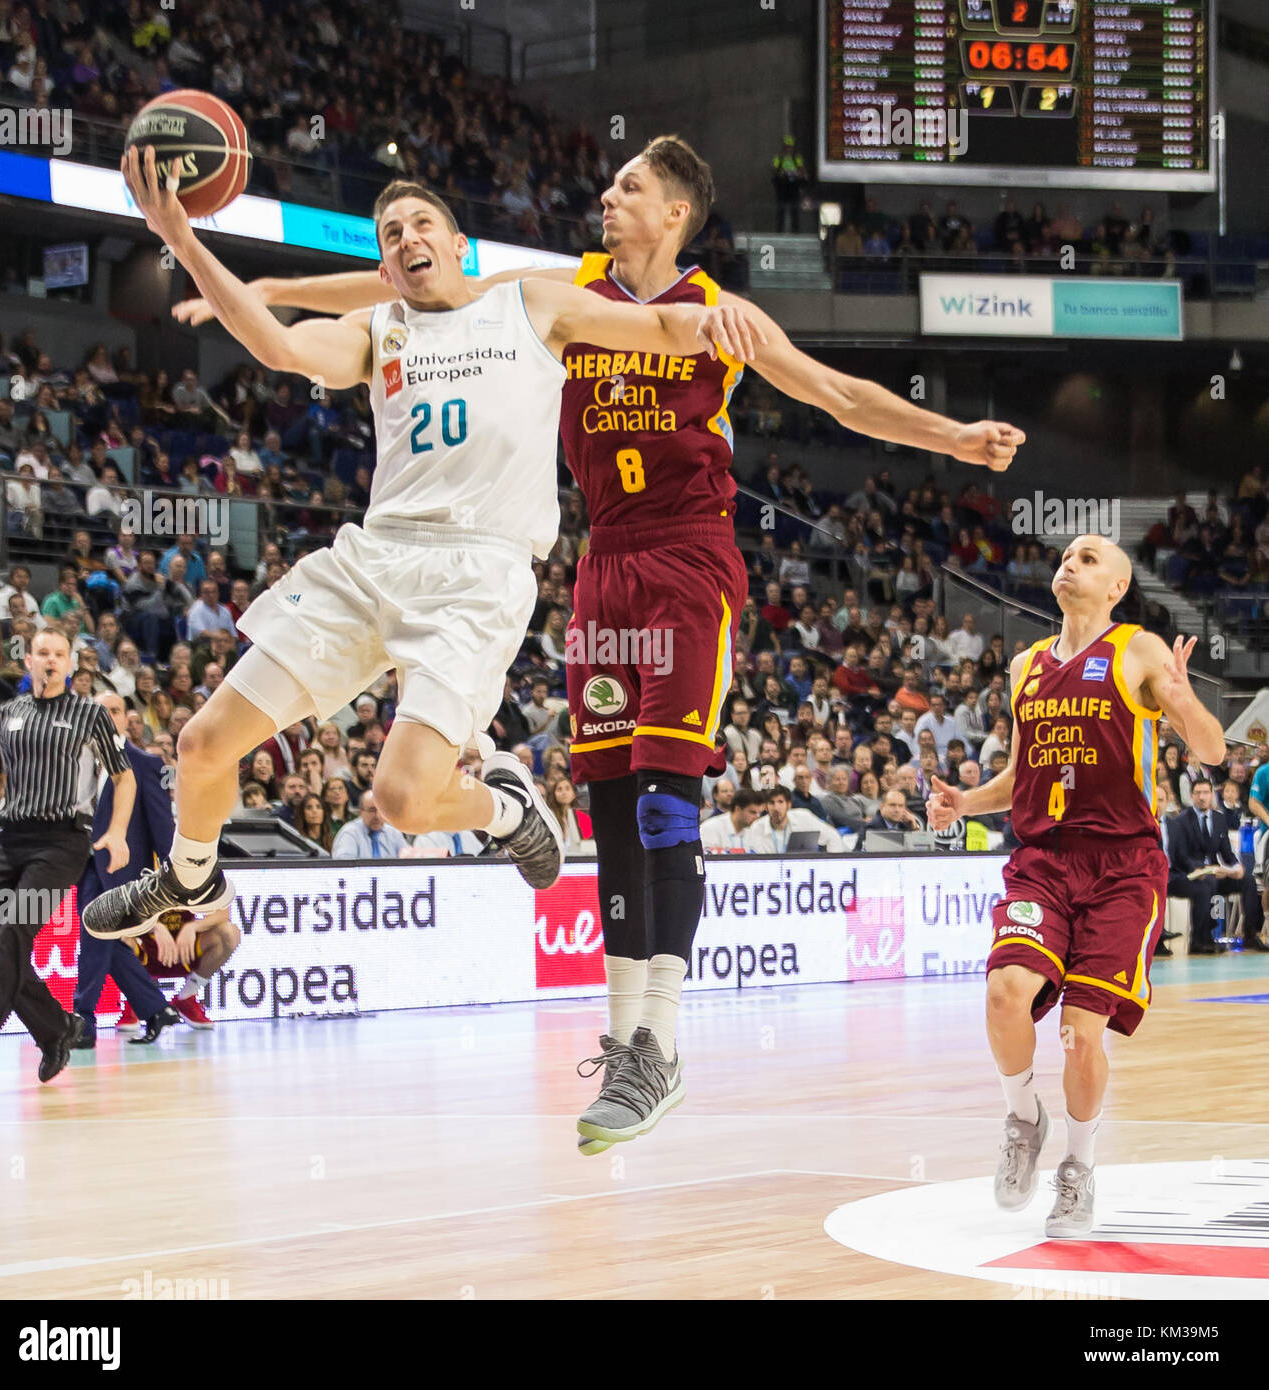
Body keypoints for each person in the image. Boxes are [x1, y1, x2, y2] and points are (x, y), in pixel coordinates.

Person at [177, 135, 1024, 1156]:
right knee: (613, 806)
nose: (606, 197)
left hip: (685, 556)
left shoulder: (711, 313)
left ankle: (658, 1041)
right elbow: (408, 279)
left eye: (629, 188)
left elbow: (833, 393)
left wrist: (954, 441)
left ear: (674, 213)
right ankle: (623, 1041)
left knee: (669, 800)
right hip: (599, 563)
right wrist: (275, 285)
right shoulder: (558, 290)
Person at [83, 156, 755, 948]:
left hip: (478, 573)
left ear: (461, 244)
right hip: (373, 559)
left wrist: (714, 323)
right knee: (199, 744)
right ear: (385, 263)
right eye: (391, 235)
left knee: (401, 801)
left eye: (421, 225)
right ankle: (191, 876)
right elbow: (277, 348)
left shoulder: (529, 306)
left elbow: (660, 326)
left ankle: (506, 809)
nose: (407, 240)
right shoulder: (380, 329)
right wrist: (183, 240)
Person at [928, 535, 1227, 1237]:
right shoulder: (1027, 665)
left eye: (1091, 558)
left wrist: (1183, 704)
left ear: (1118, 587)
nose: (1072, 562)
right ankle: (1023, 1117)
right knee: (1004, 992)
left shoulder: (1139, 650)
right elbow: (1022, 776)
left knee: (1080, 1033)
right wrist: (963, 804)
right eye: (1068, 554)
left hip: (1122, 865)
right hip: (1043, 857)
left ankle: (1079, 1167)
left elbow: (1212, 749)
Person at [0, 627, 135, 1087]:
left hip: (61, 842)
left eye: (59, 654)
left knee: (11, 936)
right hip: (11, 840)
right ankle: (58, 1028)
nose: (51, 660)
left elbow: (125, 779)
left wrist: (118, 831)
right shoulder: (10, 713)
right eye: (43, 652)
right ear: (28, 660)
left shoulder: (90, 714)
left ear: (69, 664)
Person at [73, 692, 186, 1045]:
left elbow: (162, 829)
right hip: (86, 863)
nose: (107, 717)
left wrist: (168, 877)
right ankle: (156, 1008)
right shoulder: (78, 761)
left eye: (115, 711)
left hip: (125, 872)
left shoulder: (145, 763)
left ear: (126, 720)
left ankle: (83, 1020)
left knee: (95, 932)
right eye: (99, 711)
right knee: (105, 940)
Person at [1171, 778, 1246, 954]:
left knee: (1247, 881)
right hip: (1192, 874)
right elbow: (1181, 854)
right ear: (1191, 796)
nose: (1202, 797)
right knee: (1206, 885)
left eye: (1206, 793)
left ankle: (1249, 935)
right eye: (1198, 793)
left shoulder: (1219, 818)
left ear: (1212, 795)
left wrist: (1236, 866)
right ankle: (1200, 939)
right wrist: (1197, 868)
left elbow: (1227, 853)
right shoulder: (1182, 820)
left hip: (1215, 872)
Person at [331, 790, 406, 859]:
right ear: (360, 812)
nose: (377, 816)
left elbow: (408, 858)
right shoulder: (350, 833)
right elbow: (345, 866)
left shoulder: (393, 833)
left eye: (381, 810)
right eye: (372, 810)